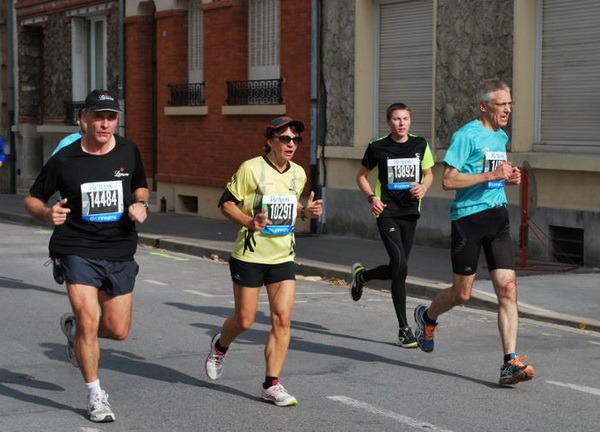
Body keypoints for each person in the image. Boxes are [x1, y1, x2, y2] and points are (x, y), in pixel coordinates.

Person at [24, 89, 149, 422]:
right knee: (90, 319)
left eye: (111, 117)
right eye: (98, 117)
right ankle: (96, 395)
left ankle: (76, 332)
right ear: (84, 119)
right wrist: (46, 214)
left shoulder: (128, 150)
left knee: (118, 330)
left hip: (119, 248)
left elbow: (140, 185)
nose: (105, 124)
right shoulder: (65, 160)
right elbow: (33, 198)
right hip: (76, 247)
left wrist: (141, 203)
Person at [413, 79, 535, 386]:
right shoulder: (465, 136)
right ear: (484, 106)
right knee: (462, 294)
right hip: (468, 220)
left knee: (507, 289)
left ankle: (510, 362)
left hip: (498, 217)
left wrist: (507, 177)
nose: (508, 109)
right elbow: (449, 180)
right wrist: (491, 174)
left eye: (510, 104)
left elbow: (494, 173)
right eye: (501, 104)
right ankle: (427, 317)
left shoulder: (501, 136)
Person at [205, 116, 323, 407]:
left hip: (283, 255)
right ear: (270, 140)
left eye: (295, 139)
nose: (291, 144)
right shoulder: (251, 169)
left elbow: (291, 206)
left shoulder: (298, 174)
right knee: (244, 320)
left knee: (282, 319)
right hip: (250, 255)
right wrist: (249, 221)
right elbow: (226, 203)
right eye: (285, 138)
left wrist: (306, 212)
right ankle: (220, 345)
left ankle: (271, 384)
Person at [349, 102, 434, 348]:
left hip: (410, 212)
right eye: (396, 119)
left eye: (405, 118)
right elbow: (361, 176)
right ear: (389, 122)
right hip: (386, 212)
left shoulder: (420, 144)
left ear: (410, 121)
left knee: (400, 268)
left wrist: (424, 187)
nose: (401, 123)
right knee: (400, 265)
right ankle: (403, 329)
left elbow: (428, 173)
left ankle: (363, 276)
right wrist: (372, 198)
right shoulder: (377, 147)